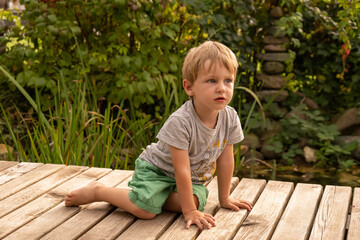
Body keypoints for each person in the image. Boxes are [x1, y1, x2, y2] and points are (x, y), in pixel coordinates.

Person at [65, 41, 252, 231]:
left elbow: (226, 160)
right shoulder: (181, 121)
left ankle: (154, 198)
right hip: (157, 171)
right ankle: (100, 191)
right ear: (189, 87)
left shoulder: (230, 117)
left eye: (228, 80)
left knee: (195, 202)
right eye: (212, 81)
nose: (222, 88)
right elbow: (182, 169)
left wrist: (224, 198)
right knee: (146, 212)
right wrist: (188, 212)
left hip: (190, 179)